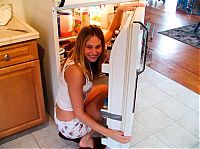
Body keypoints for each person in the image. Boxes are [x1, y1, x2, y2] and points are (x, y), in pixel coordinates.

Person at [54, 2, 145, 148]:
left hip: (63, 115)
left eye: (98, 46)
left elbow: (110, 31)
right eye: (89, 47)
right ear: (81, 46)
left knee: (103, 89)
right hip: (70, 125)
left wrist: (120, 10)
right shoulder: (75, 71)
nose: (94, 52)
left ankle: (87, 131)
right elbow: (79, 113)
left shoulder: (76, 54)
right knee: (97, 109)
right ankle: (86, 139)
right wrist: (110, 133)